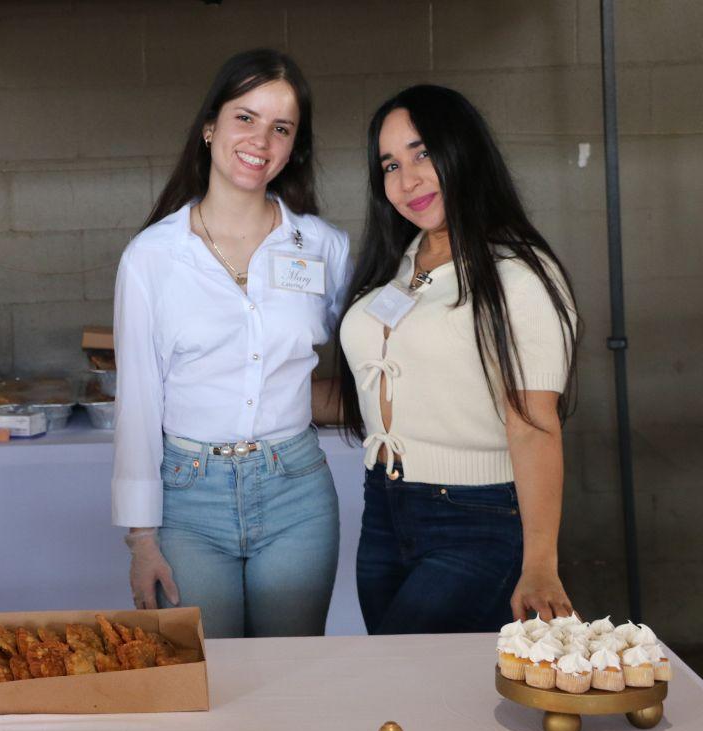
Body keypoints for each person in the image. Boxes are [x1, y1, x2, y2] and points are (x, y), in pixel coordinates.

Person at [111, 49, 351, 638]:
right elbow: (138, 401)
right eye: (245, 117)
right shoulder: (152, 257)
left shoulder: (322, 247)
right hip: (188, 501)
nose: (260, 140)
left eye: (281, 128)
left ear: (294, 146)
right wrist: (142, 539)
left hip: (297, 491)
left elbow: (373, 357)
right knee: (208, 681)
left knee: (289, 680)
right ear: (211, 127)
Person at [336, 85, 579, 634]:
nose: (407, 180)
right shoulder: (401, 265)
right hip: (383, 509)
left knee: (402, 676)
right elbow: (387, 385)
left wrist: (540, 562)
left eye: (423, 154)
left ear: (461, 151)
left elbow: (533, 424)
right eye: (390, 164)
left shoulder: (517, 273)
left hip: (476, 517)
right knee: (410, 692)